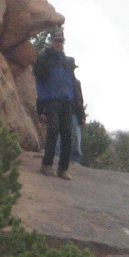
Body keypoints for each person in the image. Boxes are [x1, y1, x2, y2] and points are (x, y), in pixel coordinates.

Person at [32, 27, 77, 179]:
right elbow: (40, 82)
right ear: (51, 41)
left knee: (67, 134)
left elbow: (73, 84)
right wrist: (41, 108)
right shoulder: (45, 58)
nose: (59, 44)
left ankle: (63, 169)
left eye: (61, 41)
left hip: (66, 101)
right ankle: (47, 165)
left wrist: (77, 107)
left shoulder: (67, 61)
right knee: (53, 131)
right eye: (56, 41)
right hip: (51, 100)